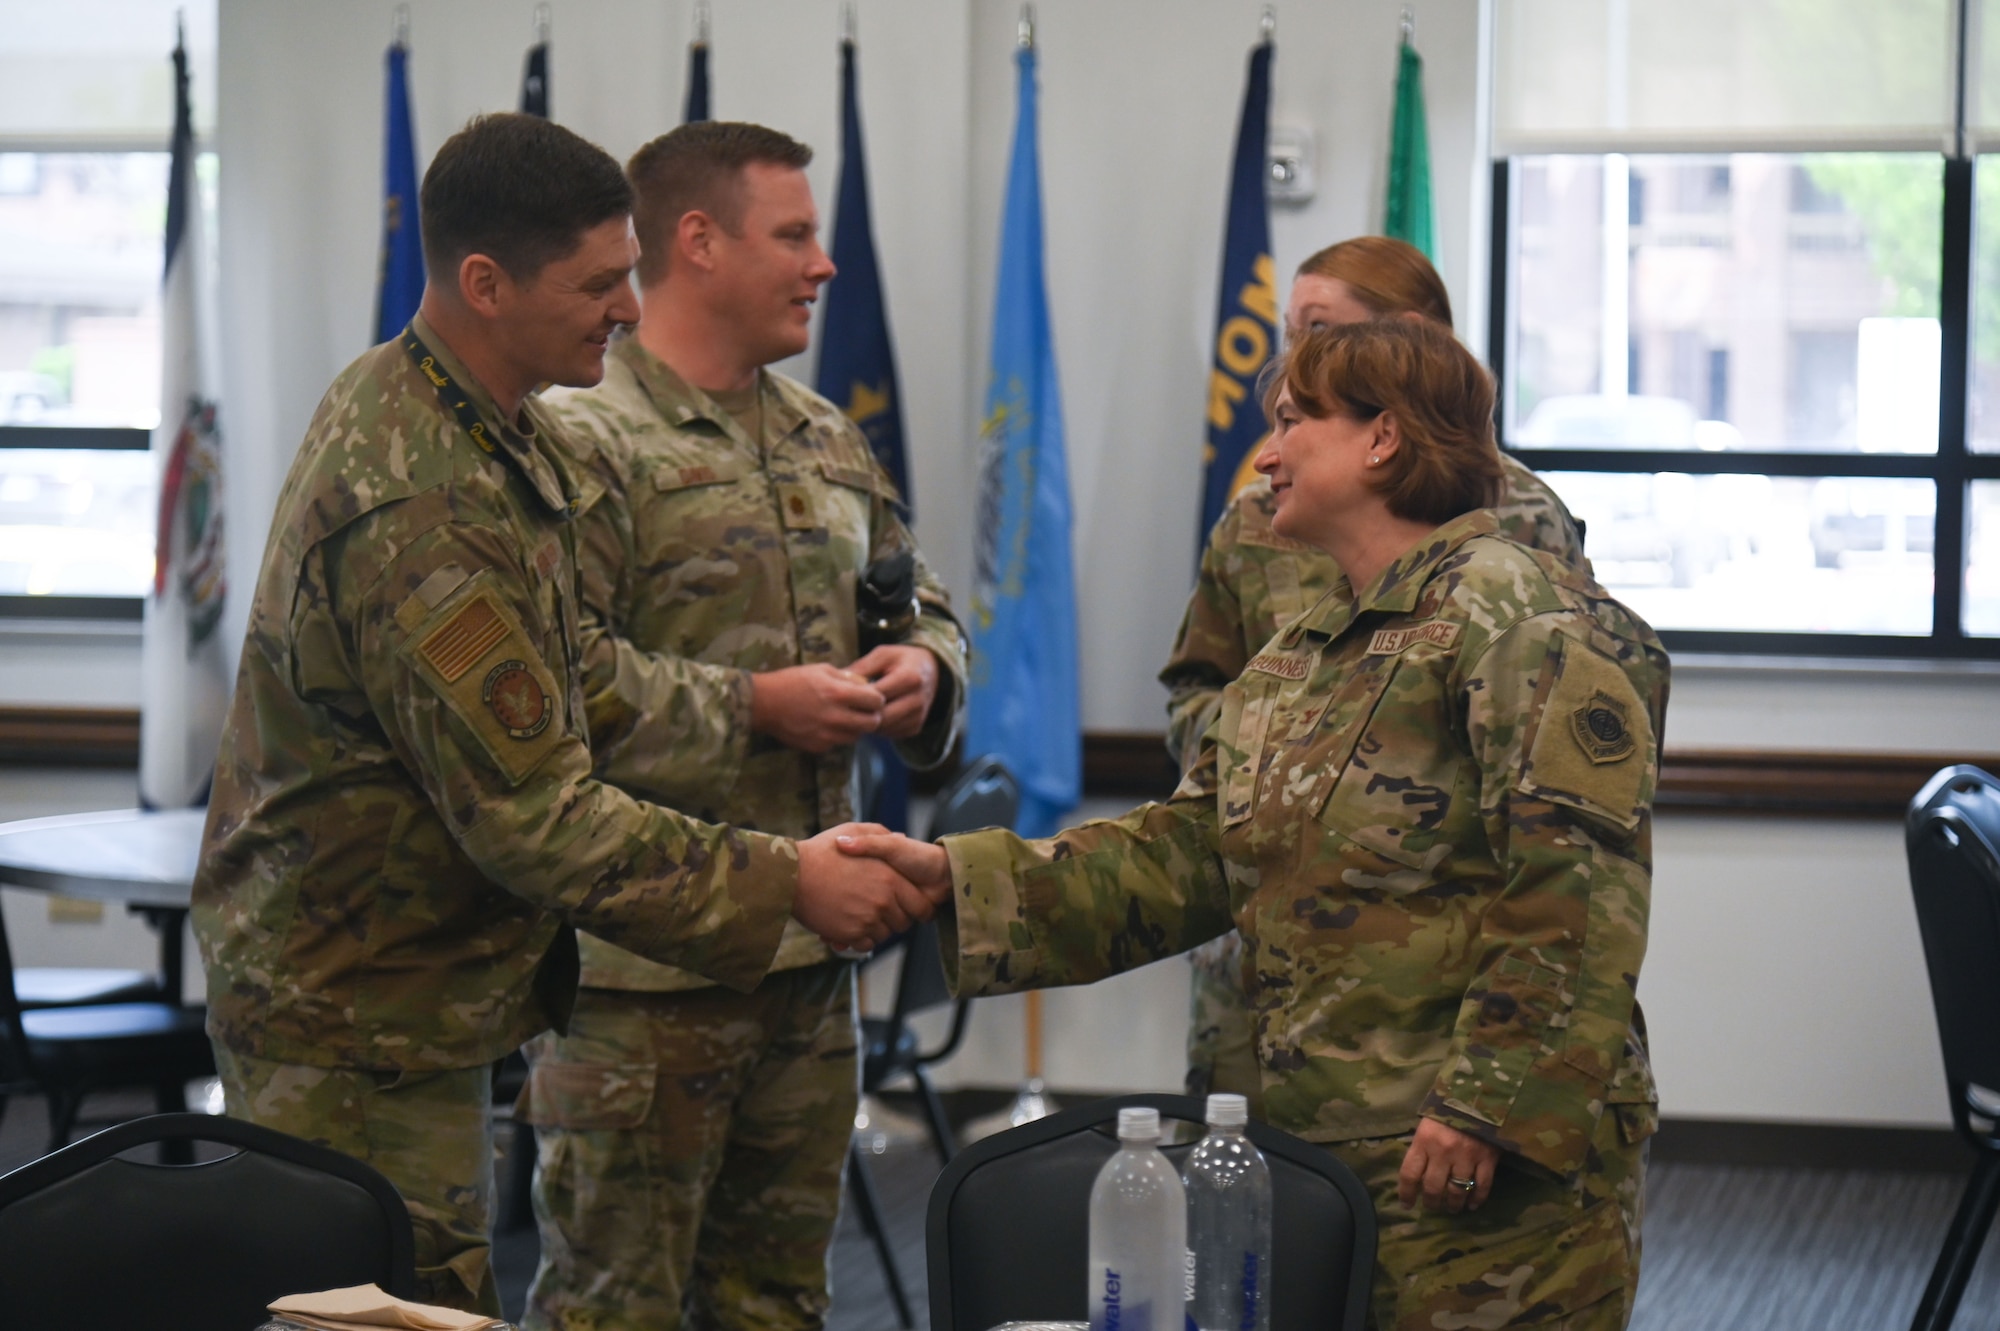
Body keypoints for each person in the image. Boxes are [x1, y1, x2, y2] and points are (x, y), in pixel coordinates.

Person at [191, 113, 936, 1316]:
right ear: (485, 283)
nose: (629, 310)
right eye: (597, 283)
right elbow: (534, 811)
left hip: (413, 990)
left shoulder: (489, 430)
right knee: (394, 1315)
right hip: (356, 1018)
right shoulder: (421, 497)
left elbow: (569, 675)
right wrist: (783, 881)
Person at [843, 319, 1666, 1330]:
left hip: (1477, 1182)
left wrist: (1483, 1105)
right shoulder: (1305, 649)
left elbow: (1574, 896)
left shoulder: (1521, 622)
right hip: (1321, 1152)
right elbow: (1192, 855)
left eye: (1294, 422)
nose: (1266, 454)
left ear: (1382, 438)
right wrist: (950, 879)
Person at [517, 121, 967, 1331]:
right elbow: (549, 686)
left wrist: (924, 664)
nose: (823, 267)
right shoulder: (579, 436)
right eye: (796, 236)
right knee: (615, 1306)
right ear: (699, 242)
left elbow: (916, 595)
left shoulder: (822, 432)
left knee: (776, 1303)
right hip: (640, 974)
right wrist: (750, 705)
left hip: (811, 967)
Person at [1164, 236, 1592, 1113]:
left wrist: (1489, 1095)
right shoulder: (1257, 517)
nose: (1292, 363)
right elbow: (1198, 683)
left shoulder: (1517, 540)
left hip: (1422, 984)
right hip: (1265, 937)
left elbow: (1561, 863)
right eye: (1289, 334)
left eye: (1318, 332)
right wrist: (1257, 764)